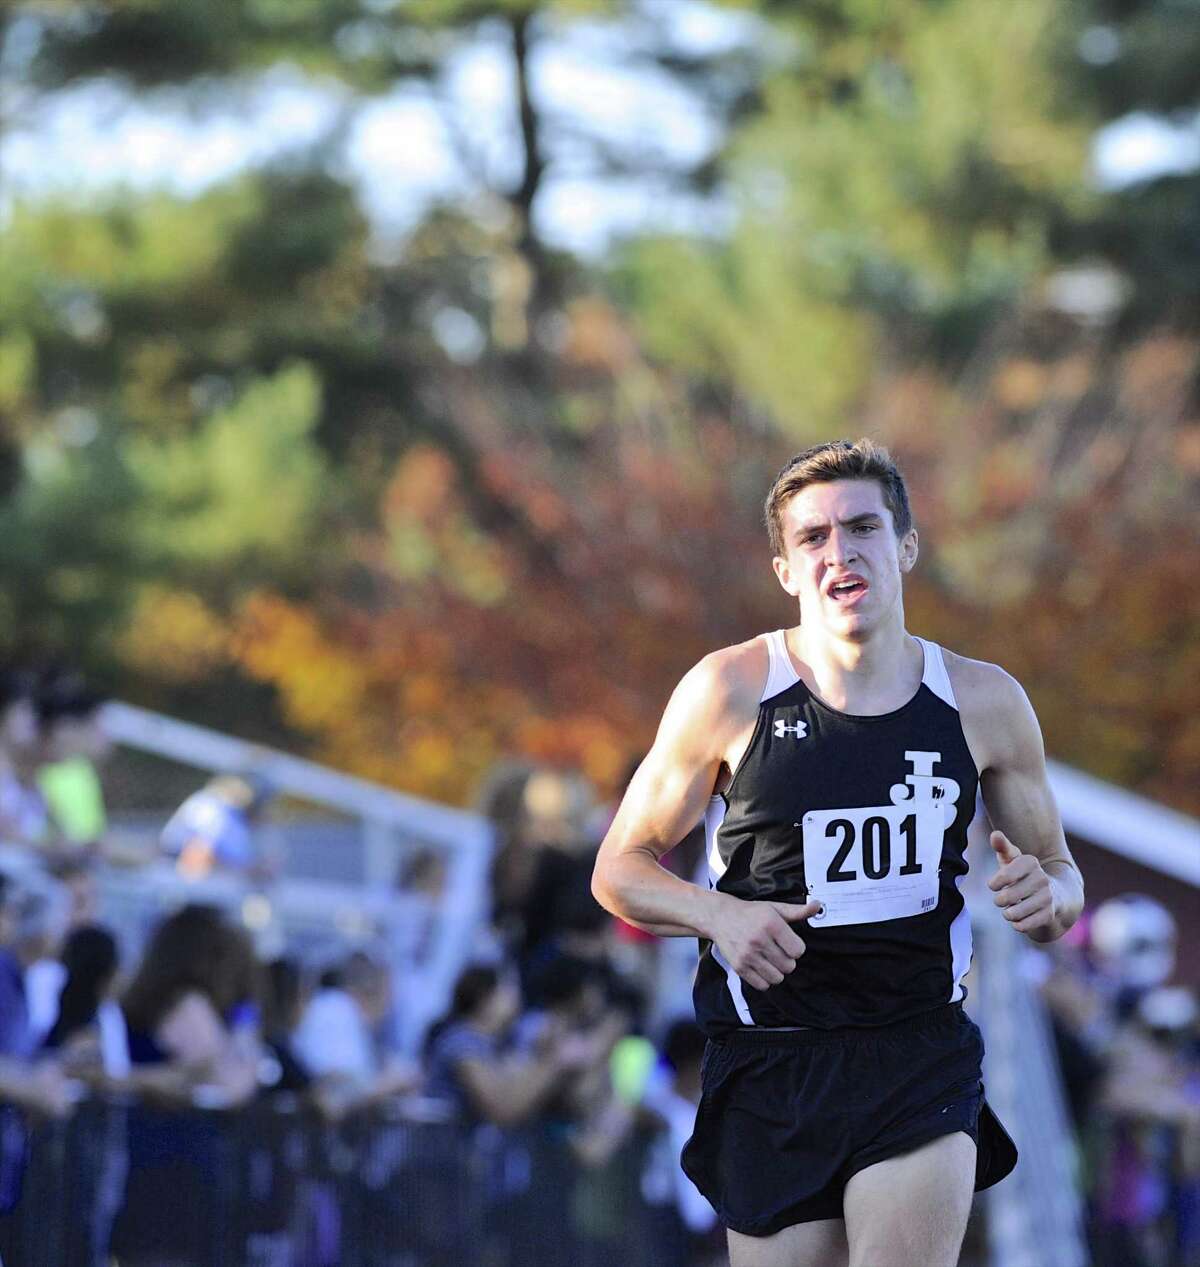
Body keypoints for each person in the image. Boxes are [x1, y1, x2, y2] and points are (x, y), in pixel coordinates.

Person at [591, 438, 1085, 1267]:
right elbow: (619, 867)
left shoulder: (983, 700)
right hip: (771, 1059)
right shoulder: (729, 688)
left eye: (861, 528)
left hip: (915, 1048)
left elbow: (1061, 877)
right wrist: (720, 915)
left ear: (906, 546)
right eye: (813, 537)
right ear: (785, 568)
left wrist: (1052, 900)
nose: (840, 552)